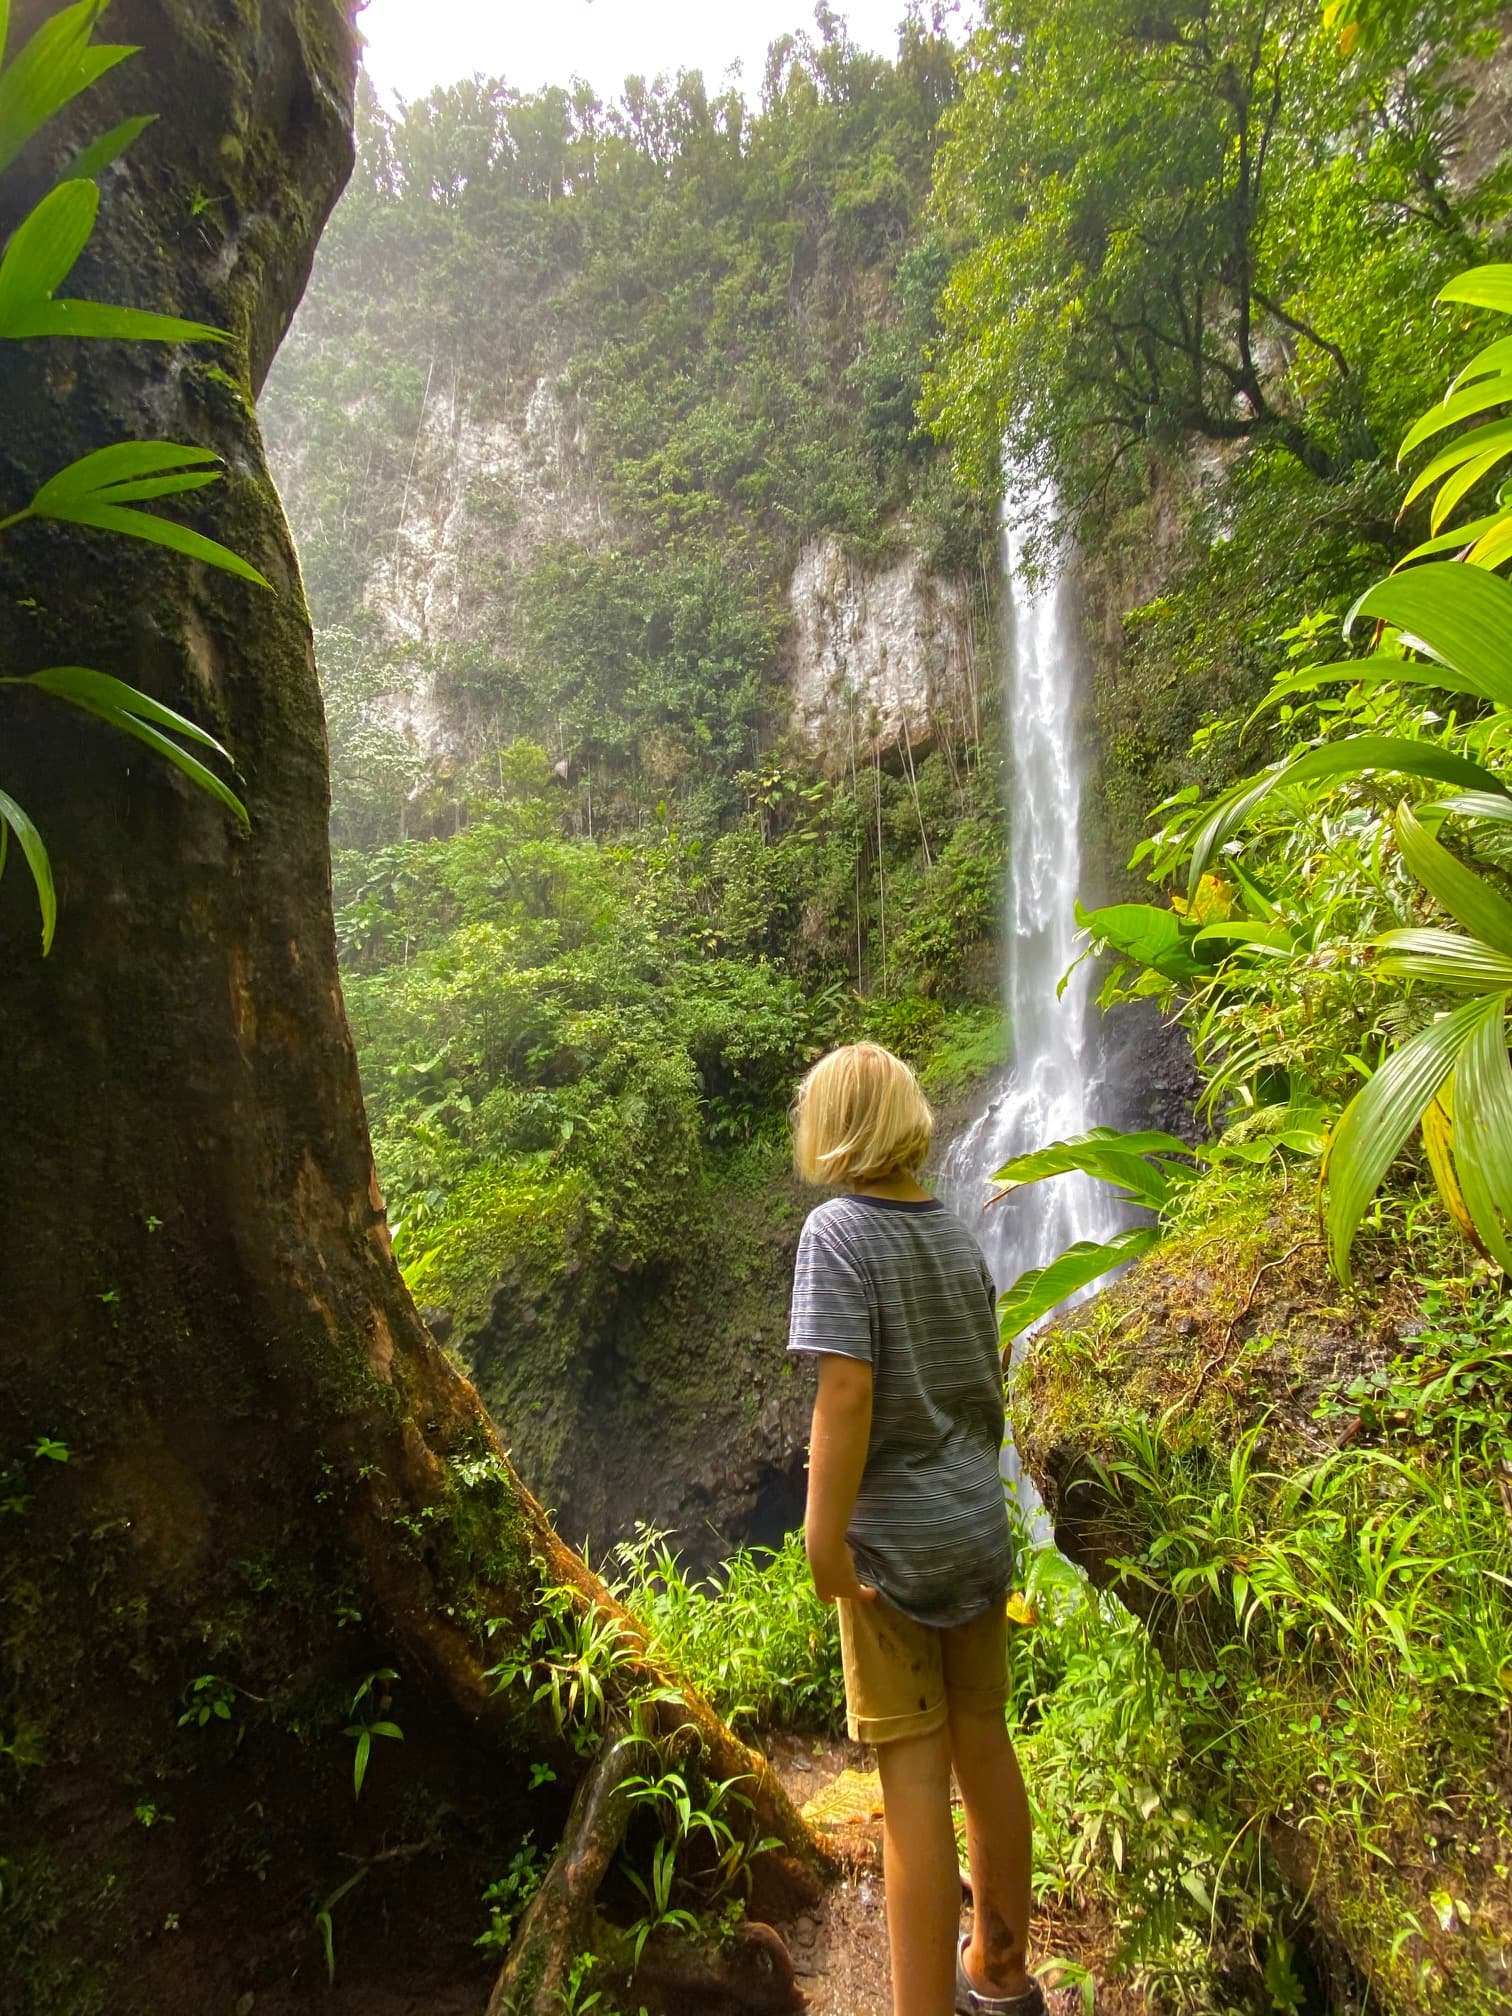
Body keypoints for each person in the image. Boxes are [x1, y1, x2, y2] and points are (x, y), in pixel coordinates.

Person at [787, 1041, 1045, 2016]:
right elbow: (983, 1381)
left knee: (911, 1794)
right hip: (977, 1529)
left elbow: (845, 1392)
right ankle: (1001, 1975)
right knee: (988, 1748)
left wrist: (825, 1536)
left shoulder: (837, 1234)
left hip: (893, 1553)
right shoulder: (952, 1235)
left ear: (833, 1125)